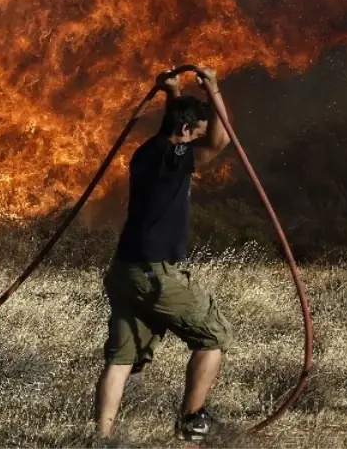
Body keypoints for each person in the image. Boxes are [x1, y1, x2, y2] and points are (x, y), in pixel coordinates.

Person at [94, 67, 234, 443]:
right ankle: (192, 420)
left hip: (124, 271)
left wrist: (172, 92)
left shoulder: (146, 151)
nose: (201, 140)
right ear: (187, 133)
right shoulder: (177, 155)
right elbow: (220, 142)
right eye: (197, 132)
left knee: (120, 359)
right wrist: (214, 91)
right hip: (157, 274)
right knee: (215, 335)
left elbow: (173, 131)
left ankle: (100, 439)